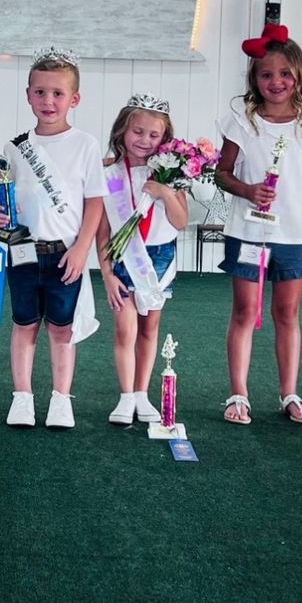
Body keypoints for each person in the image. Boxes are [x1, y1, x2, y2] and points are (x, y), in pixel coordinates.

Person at [215, 25, 302, 425]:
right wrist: (248, 190)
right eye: (266, 75)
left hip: (295, 234)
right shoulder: (242, 121)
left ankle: (289, 394)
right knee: (245, 311)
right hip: (248, 231)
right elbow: (221, 174)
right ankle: (238, 394)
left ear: (299, 75)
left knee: (288, 313)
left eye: (284, 74)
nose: (275, 82)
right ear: (254, 79)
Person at [0, 46, 106, 429]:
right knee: (24, 323)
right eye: (40, 92)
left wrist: (81, 249)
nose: (48, 100)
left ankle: (61, 398)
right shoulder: (15, 147)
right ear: (28, 95)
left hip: (64, 254)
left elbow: (95, 204)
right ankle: (22, 397)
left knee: (61, 327)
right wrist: (1, 214)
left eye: (58, 93)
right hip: (23, 251)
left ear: (74, 99)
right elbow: (7, 196)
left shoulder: (86, 145)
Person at [96, 93, 186, 425]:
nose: (144, 140)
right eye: (138, 132)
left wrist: (164, 192)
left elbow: (179, 221)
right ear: (122, 131)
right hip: (121, 256)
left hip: (160, 257)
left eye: (154, 134)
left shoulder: (172, 173)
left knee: (150, 329)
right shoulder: (107, 172)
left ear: (165, 138)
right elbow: (102, 231)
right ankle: (125, 396)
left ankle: (142, 394)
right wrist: (106, 274)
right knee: (125, 329)